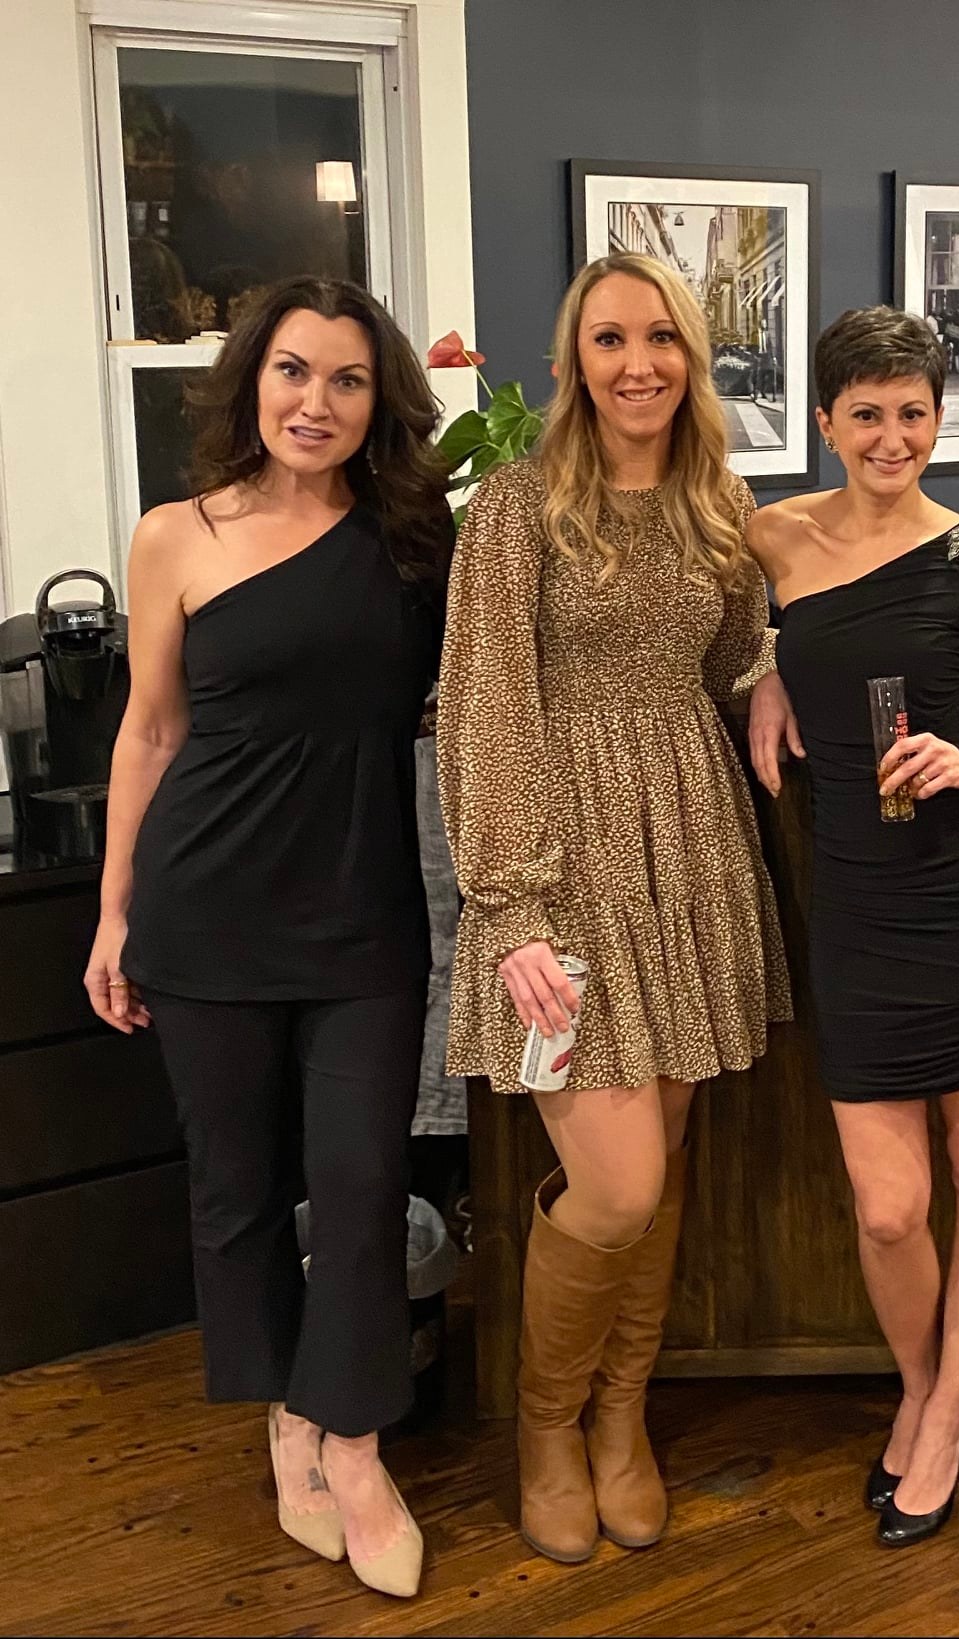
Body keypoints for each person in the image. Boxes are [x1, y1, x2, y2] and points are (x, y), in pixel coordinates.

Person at [83, 276, 452, 1599]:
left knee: (358, 1184)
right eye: (294, 370)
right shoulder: (173, 535)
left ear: (376, 399)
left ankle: (350, 1439)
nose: (316, 401)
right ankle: (286, 1419)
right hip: (207, 904)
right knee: (235, 1188)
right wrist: (115, 909)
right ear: (252, 379)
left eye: (347, 378)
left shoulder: (415, 537)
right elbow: (149, 730)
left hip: (361, 909)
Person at [437, 252, 793, 1566]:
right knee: (618, 1181)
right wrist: (514, 901)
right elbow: (484, 701)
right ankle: (545, 1428)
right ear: (572, 360)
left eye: (659, 337)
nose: (636, 362)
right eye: (608, 339)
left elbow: (733, 655)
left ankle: (620, 1421)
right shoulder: (516, 506)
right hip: (563, 859)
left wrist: (773, 676)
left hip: (689, 845)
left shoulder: (717, 499)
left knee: (665, 1163)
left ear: (691, 354)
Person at [745, 306, 959, 1548]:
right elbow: (719, 631)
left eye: (913, 413)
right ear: (825, 420)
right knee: (886, 1207)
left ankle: (944, 1410)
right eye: (865, 414)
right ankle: (920, 1382)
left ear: (939, 418)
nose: (891, 437)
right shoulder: (772, 536)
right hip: (855, 909)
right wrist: (763, 673)